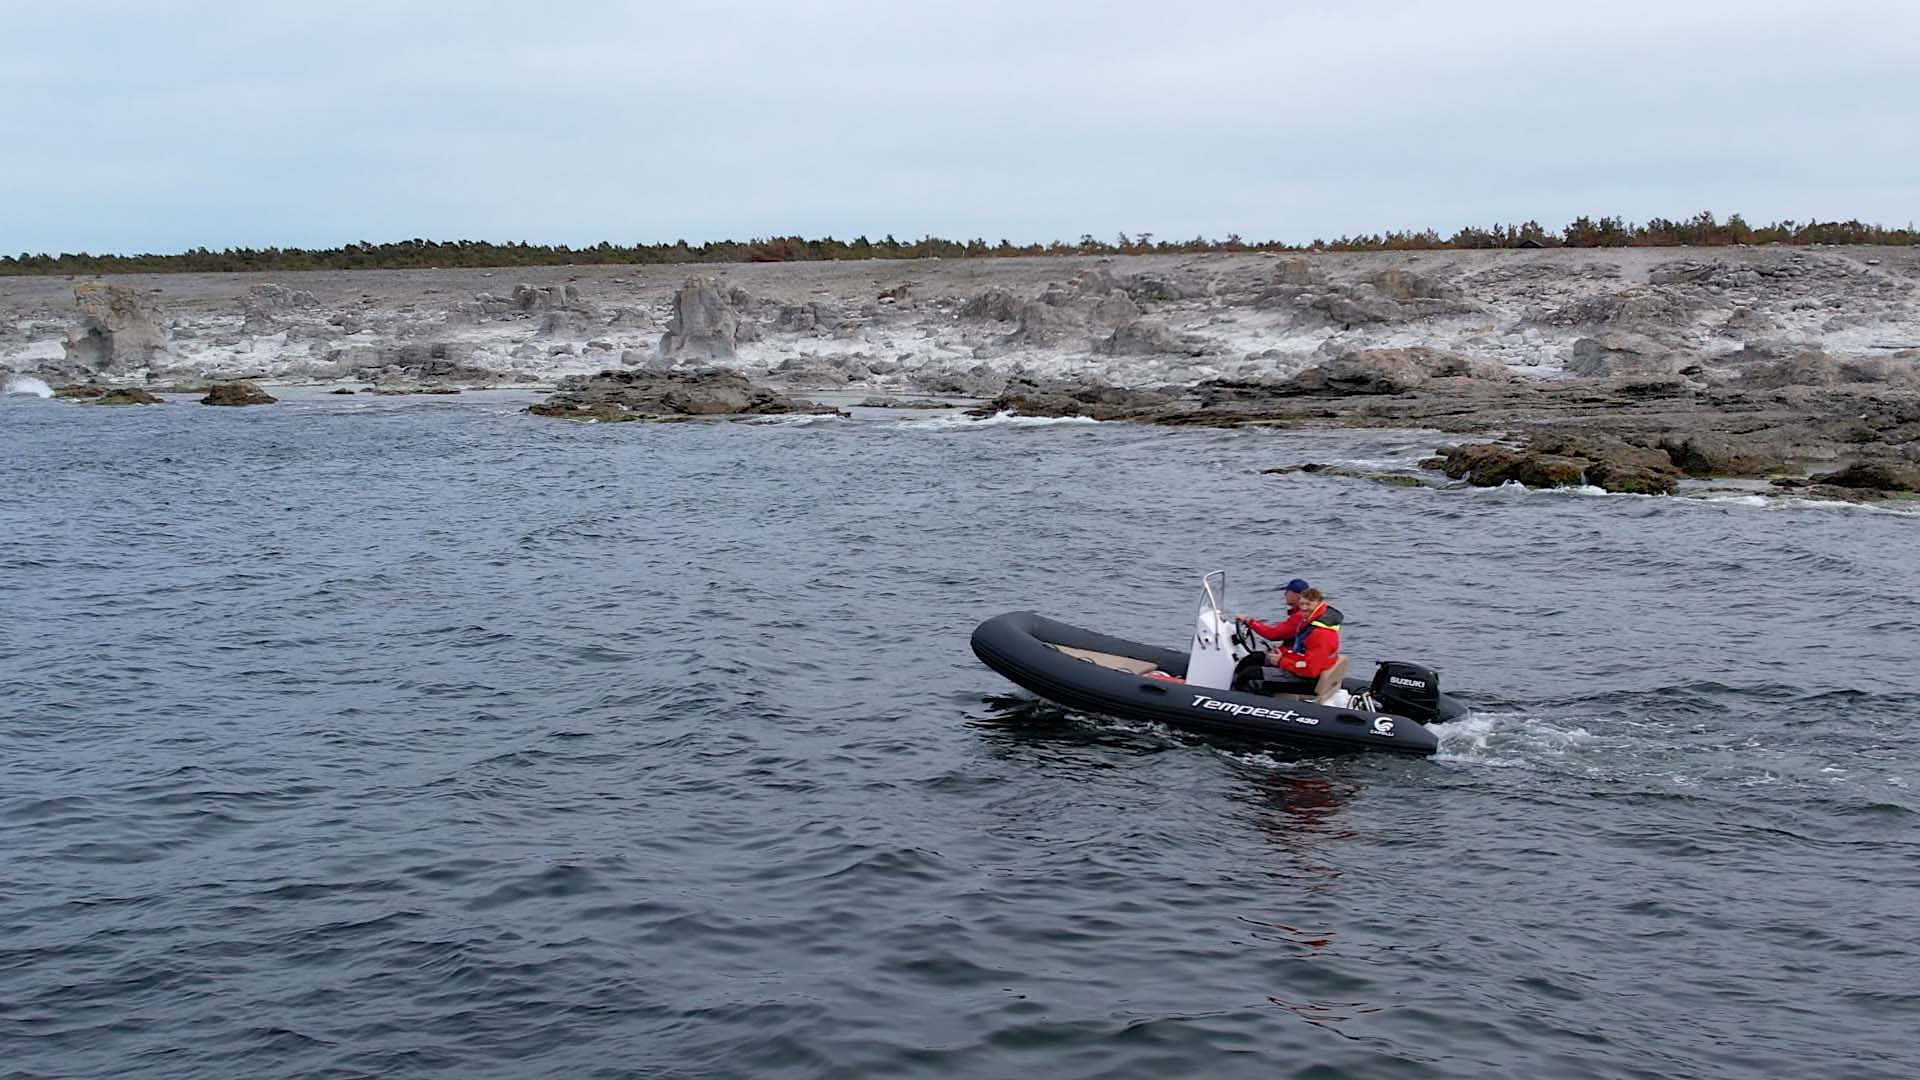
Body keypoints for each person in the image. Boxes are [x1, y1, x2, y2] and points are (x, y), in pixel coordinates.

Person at [1233, 583, 1344, 689]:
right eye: (1302, 604)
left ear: (1318, 604)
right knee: (1252, 659)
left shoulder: (1321, 634)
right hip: (1301, 667)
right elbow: (1303, 653)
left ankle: (1237, 700)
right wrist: (1284, 655)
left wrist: (1281, 661)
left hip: (1306, 678)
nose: (1304, 608)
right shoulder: (1309, 621)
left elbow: (1310, 669)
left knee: (1249, 675)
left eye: (1308, 604)